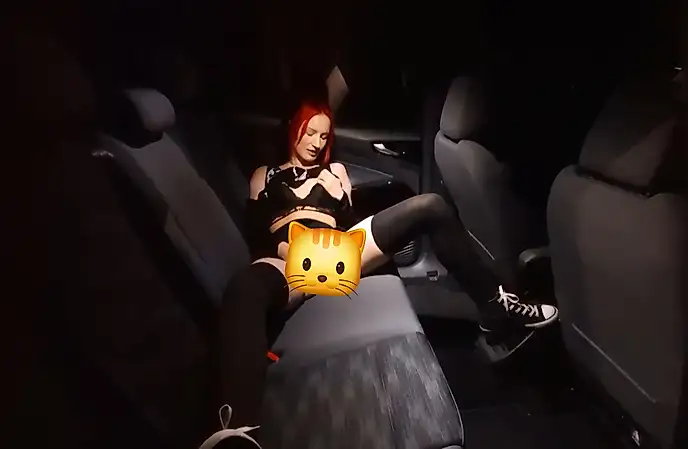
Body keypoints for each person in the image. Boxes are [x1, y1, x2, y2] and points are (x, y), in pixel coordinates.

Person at [216, 101, 559, 429]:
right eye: (310, 133)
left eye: (323, 136)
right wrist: (286, 249)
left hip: (335, 252)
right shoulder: (265, 175)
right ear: (295, 129)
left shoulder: (335, 171)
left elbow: (347, 221)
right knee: (245, 287)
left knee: (430, 206)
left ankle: (497, 306)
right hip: (285, 257)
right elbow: (257, 229)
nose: (316, 143)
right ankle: (237, 429)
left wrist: (338, 194)